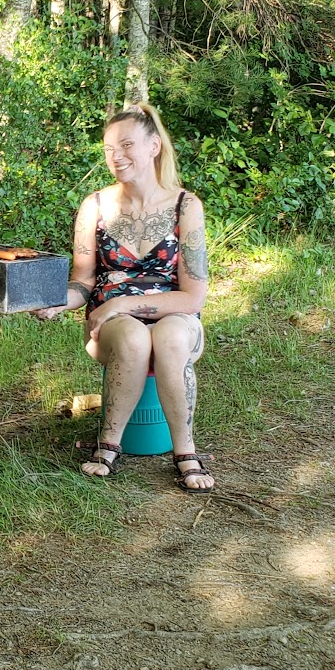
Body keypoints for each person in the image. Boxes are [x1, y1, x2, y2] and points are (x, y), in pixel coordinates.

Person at [34, 103, 214, 490]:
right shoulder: (95, 206)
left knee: (168, 336)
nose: (116, 157)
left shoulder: (186, 206)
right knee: (134, 337)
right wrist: (57, 302)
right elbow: (83, 283)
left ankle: (186, 451)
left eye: (126, 145)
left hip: (173, 316)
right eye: (108, 149)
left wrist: (122, 301)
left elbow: (192, 298)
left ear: (153, 146)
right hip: (113, 325)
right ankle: (108, 446)